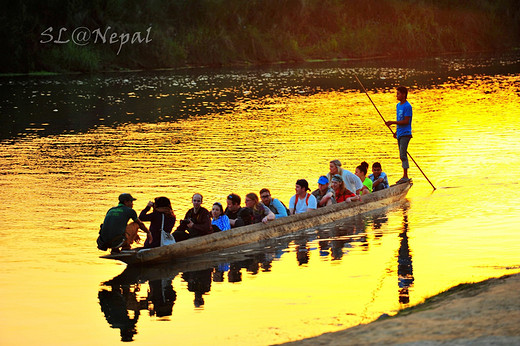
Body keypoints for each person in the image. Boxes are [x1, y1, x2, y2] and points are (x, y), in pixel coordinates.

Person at [385, 86, 413, 184]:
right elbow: (399, 118)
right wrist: (396, 132)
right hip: (400, 133)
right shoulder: (398, 105)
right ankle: (404, 175)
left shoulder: (407, 106)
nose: (397, 95)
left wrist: (392, 122)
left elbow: (405, 121)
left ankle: (405, 176)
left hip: (406, 134)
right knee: (401, 154)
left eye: (398, 94)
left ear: (404, 94)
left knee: (402, 155)